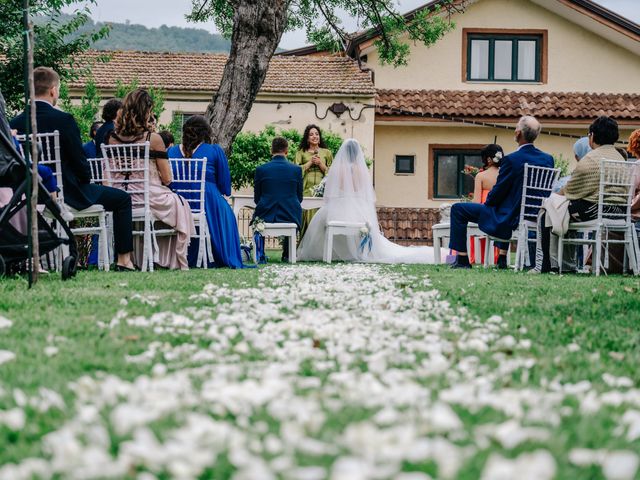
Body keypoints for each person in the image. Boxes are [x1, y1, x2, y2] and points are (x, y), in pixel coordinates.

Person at [10, 67, 135, 271]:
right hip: (69, 194)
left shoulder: (15, 123)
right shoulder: (64, 120)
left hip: (28, 196)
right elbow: (80, 164)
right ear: (53, 91)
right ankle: (124, 260)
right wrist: (86, 180)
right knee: (122, 199)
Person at [298, 138, 445, 263]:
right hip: (358, 209)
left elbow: (328, 197)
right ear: (357, 154)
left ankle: (332, 254)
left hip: (338, 208)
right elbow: (366, 195)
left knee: (321, 221)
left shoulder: (336, 170)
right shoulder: (361, 170)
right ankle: (358, 252)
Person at [448, 116, 554, 269]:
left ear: (518, 134)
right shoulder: (548, 159)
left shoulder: (511, 160)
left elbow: (498, 193)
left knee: (458, 209)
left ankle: (463, 260)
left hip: (510, 216)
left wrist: (489, 203)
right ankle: (501, 257)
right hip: (537, 214)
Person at [106, 88, 194, 270]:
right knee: (181, 204)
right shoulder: (153, 138)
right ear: (145, 111)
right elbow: (167, 178)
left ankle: (140, 257)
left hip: (121, 195)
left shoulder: (111, 138)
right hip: (149, 196)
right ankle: (167, 258)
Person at [533, 116, 627, 273]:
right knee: (562, 212)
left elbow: (569, 191)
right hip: (620, 211)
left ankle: (548, 265)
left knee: (548, 211)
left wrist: (552, 199)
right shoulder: (619, 157)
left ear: (592, 136)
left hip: (595, 210)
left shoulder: (590, 159)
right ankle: (565, 265)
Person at [167, 115, 245, 268]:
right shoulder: (214, 151)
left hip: (179, 203)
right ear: (206, 133)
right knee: (227, 213)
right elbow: (225, 187)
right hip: (207, 202)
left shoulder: (171, 152)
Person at [253, 136, 303, 262]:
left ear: (271, 150)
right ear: (286, 151)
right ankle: (287, 254)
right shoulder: (296, 170)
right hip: (290, 213)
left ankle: (260, 253)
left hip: (266, 212)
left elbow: (257, 198)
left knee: (259, 216)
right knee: (295, 210)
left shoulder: (261, 169)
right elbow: (299, 197)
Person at [294, 124, 333, 237]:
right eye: (311, 134)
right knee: (307, 215)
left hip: (323, 189)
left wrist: (320, 164)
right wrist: (310, 162)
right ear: (307, 138)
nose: (314, 136)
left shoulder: (327, 153)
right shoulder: (300, 153)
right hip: (306, 189)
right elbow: (296, 171)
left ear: (319, 138)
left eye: (317, 134)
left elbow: (332, 173)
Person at [469, 144, 503, 264]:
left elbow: (477, 202)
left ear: (488, 159)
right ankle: (497, 257)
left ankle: (476, 257)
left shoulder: (481, 176)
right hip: (501, 215)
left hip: (484, 213)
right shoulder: (505, 175)